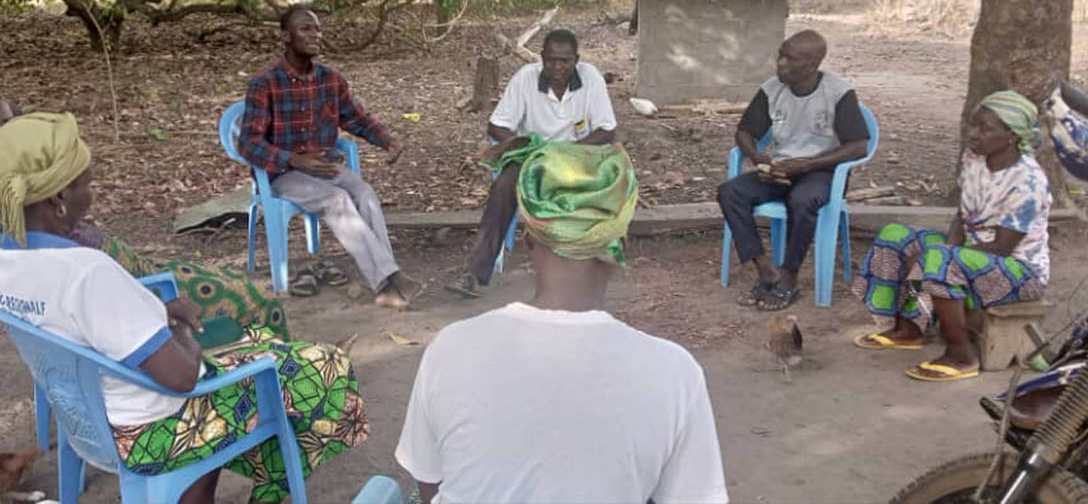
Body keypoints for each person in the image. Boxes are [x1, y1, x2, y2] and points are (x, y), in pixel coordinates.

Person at [0, 112, 368, 504]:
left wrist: (155, 309)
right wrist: (182, 328)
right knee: (324, 371)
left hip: (86, 419)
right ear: (58, 196)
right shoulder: (86, 273)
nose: (91, 192)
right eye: (86, 183)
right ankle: (267, 490)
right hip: (155, 430)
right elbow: (181, 378)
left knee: (263, 347)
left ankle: (200, 486)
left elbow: (81, 316)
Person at [396, 138, 728, 504]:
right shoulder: (675, 374)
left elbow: (430, 488)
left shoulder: (451, 348)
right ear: (620, 246)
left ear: (526, 239)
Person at [0, 83, 295, 339]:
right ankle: (284, 395)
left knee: (221, 277)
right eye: (7, 129)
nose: (18, 134)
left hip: (113, 281)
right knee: (257, 299)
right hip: (129, 284)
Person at [852, 90, 1050, 382]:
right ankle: (909, 328)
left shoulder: (1028, 181)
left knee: (939, 258)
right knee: (896, 236)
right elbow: (962, 216)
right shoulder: (975, 160)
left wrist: (939, 258)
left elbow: (1004, 247)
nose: (973, 134)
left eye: (985, 129)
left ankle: (962, 355)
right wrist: (946, 249)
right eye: (973, 125)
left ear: (1011, 135)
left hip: (1019, 273)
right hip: (975, 253)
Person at [239, 5, 420, 310]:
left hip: (325, 165)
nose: (315, 35)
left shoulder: (330, 79)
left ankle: (388, 278)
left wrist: (387, 140)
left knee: (365, 193)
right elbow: (248, 143)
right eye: (305, 29)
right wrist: (294, 160)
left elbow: (357, 119)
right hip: (284, 173)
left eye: (318, 29)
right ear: (286, 36)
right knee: (337, 200)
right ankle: (387, 280)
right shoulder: (265, 83)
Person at [446, 28, 617, 298]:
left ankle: (588, 271)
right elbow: (497, 126)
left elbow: (607, 131)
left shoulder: (591, 78)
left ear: (577, 59)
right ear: (541, 58)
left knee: (611, 184)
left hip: (576, 157)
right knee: (503, 187)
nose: (557, 67)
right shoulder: (525, 79)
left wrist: (566, 153)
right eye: (551, 60)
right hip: (533, 158)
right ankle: (473, 273)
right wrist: (530, 147)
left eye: (565, 61)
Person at [717, 29, 869, 311]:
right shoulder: (772, 89)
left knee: (802, 200)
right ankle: (765, 269)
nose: (781, 64)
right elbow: (745, 131)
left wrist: (809, 164)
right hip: (782, 169)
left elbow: (859, 146)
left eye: (791, 59)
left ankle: (789, 275)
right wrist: (758, 158)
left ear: (813, 65)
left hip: (823, 171)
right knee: (730, 192)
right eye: (780, 56)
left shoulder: (838, 92)